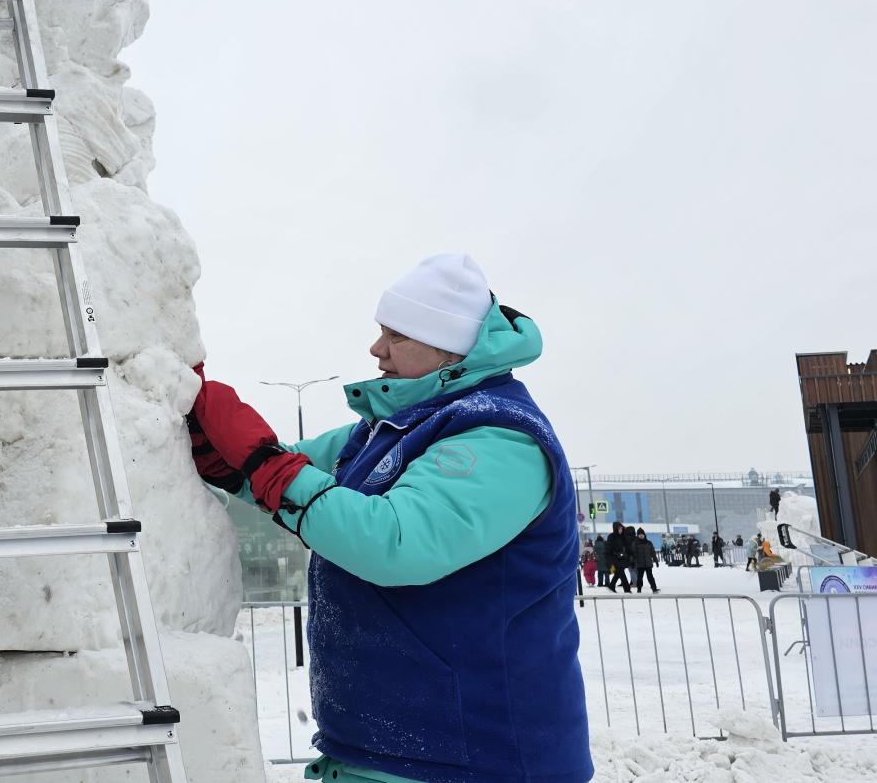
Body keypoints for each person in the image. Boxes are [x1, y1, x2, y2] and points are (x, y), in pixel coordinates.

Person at [186, 253, 591, 783]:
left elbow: (396, 543)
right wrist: (230, 462)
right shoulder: (386, 431)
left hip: (476, 758)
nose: (376, 349)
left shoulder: (500, 438)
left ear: (449, 347)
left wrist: (267, 465)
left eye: (396, 335)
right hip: (380, 748)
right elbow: (295, 478)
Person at [605, 520, 633, 592]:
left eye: (621, 528)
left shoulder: (623, 536)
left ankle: (611, 586)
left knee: (618, 573)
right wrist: (611, 560)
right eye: (619, 528)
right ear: (615, 529)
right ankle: (627, 589)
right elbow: (608, 549)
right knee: (621, 573)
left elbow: (627, 546)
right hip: (614, 559)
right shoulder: (611, 536)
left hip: (623, 558)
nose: (620, 530)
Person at [633, 527, 660, 593]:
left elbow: (653, 552)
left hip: (648, 563)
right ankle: (639, 589)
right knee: (640, 577)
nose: (641, 535)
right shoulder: (635, 543)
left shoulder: (649, 543)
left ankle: (654, 588)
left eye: (642, 534)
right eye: (639, 534)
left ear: (644, 535)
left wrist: (656, 560)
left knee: (650, 577)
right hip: (640, 564)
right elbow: (634, 554)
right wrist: (634, 562)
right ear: (638, 535)